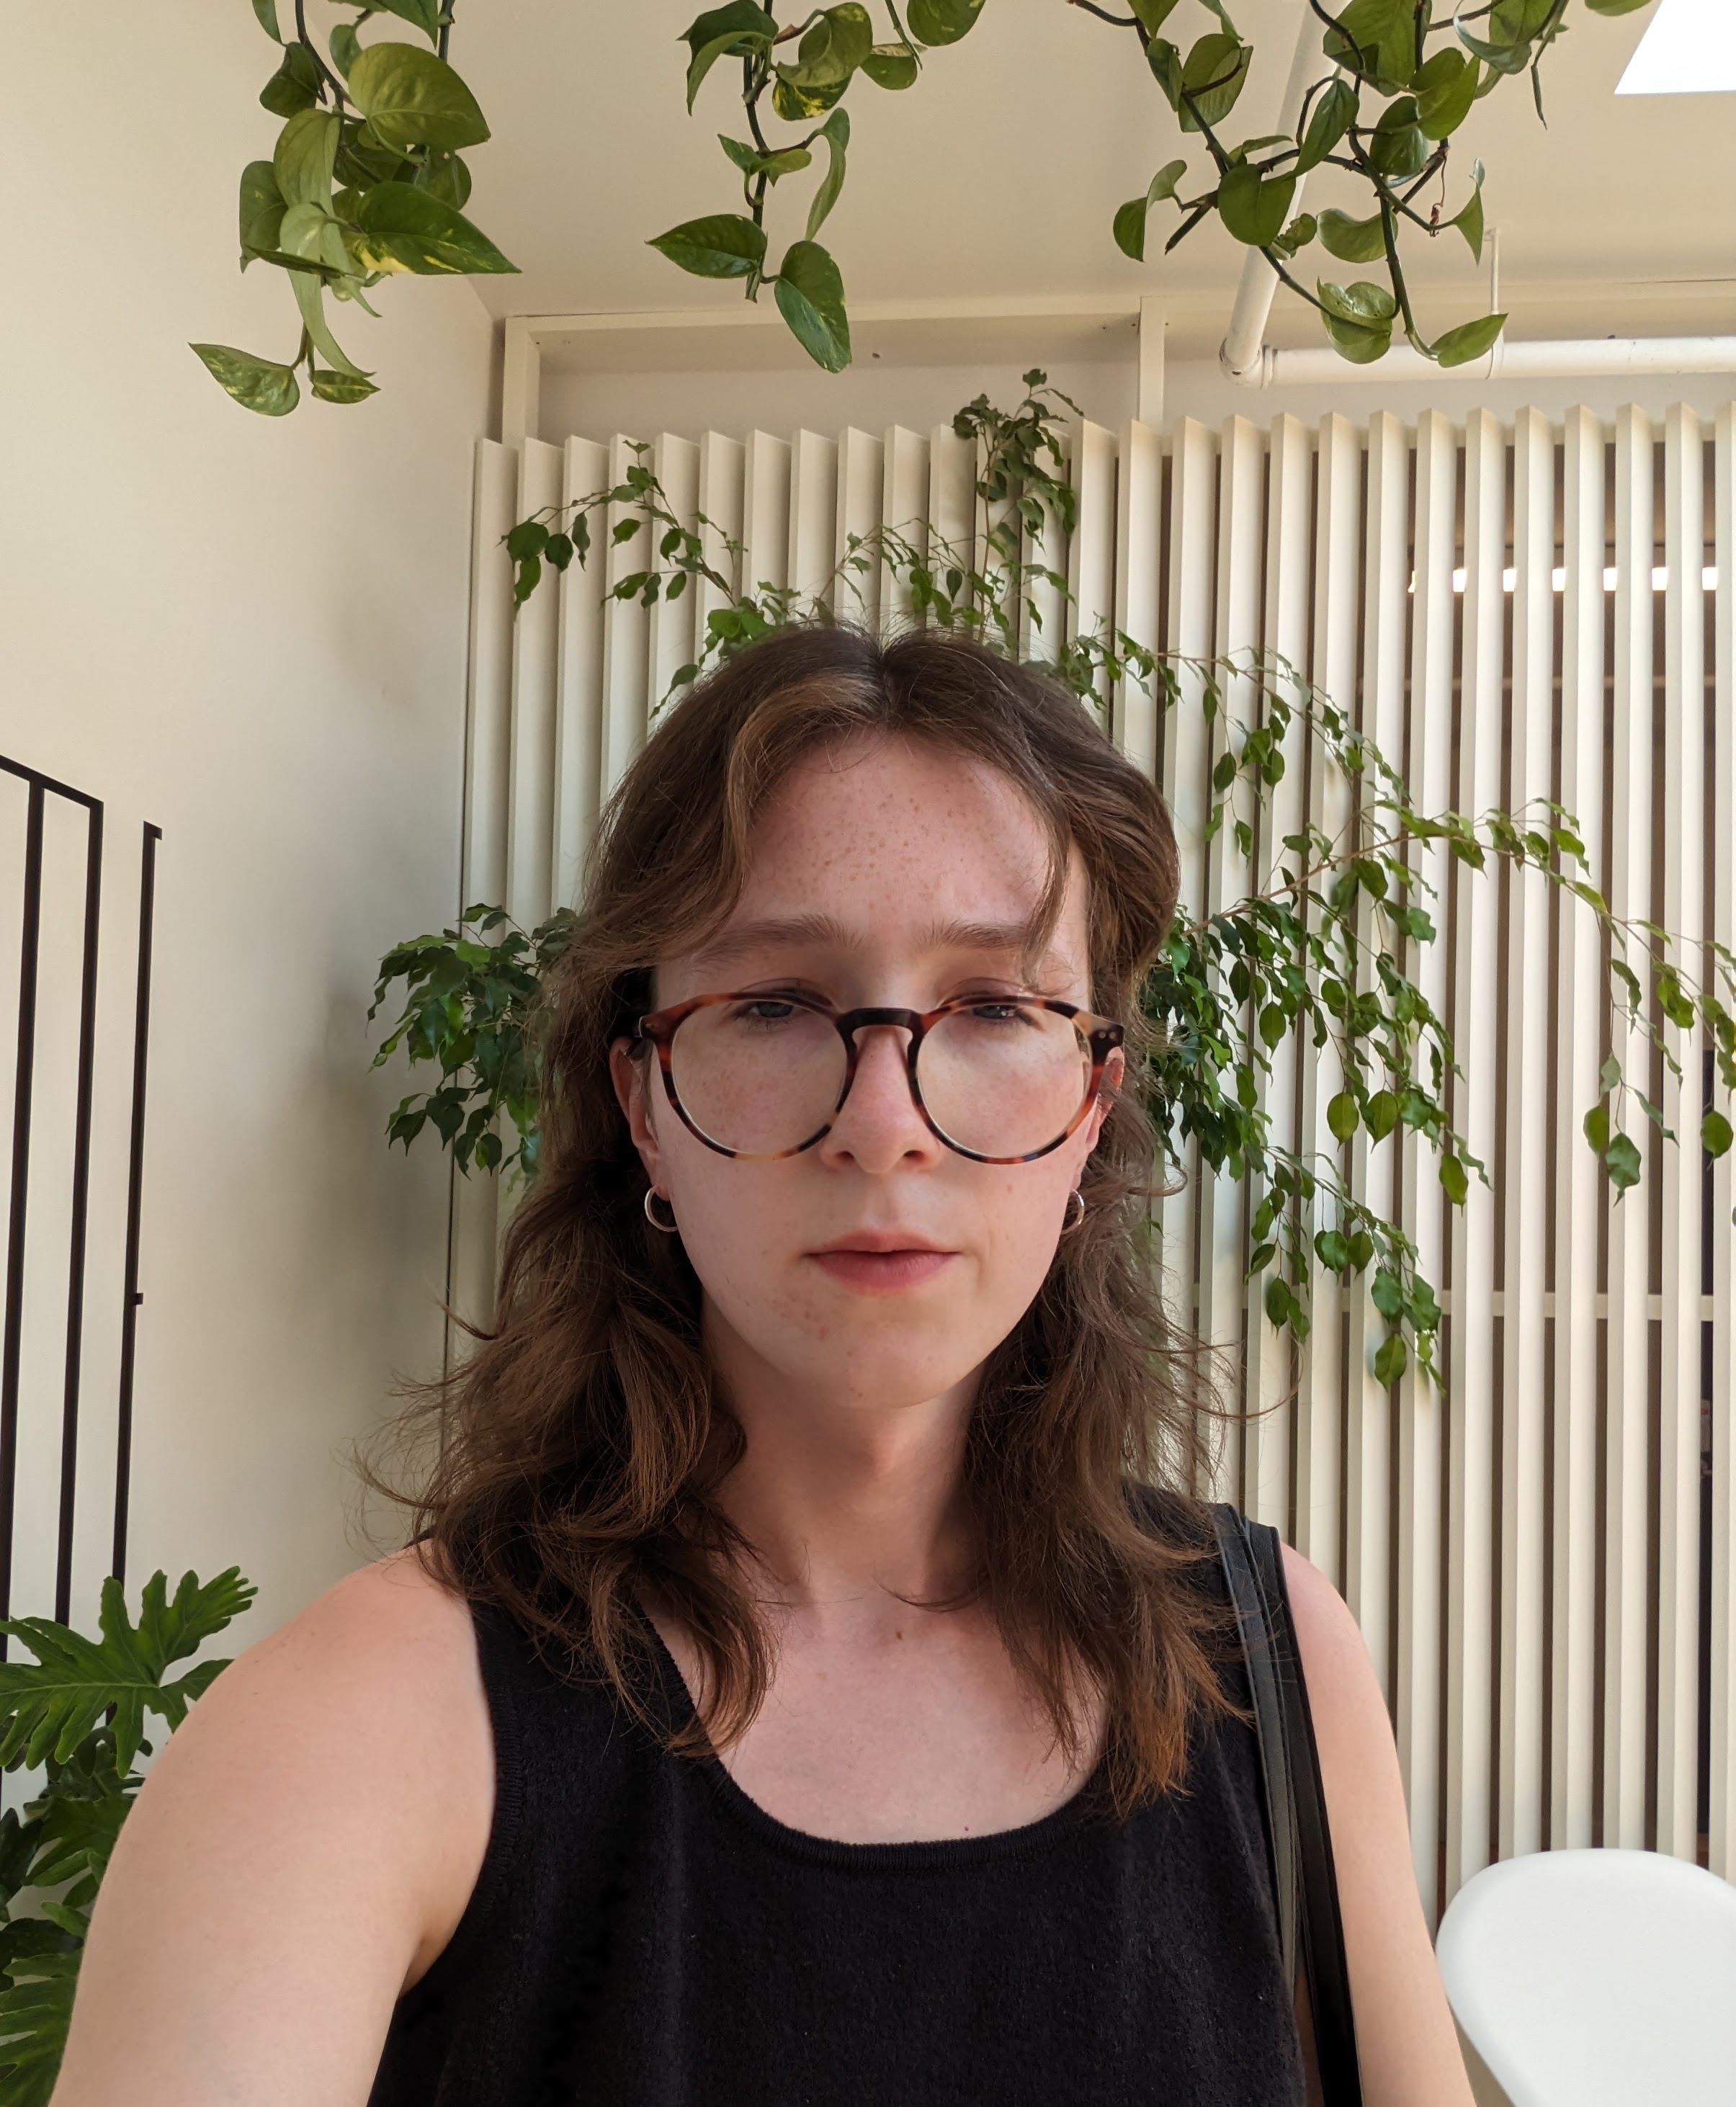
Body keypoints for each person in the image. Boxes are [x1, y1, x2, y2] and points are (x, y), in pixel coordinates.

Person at [52, 627, 1472, 2106]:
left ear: (1090, 1109)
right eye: (775, 1003)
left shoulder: (1268, 1658)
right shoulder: (361, 1726)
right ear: (643, 1102)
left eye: (990, 1005)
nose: (882, 1121)